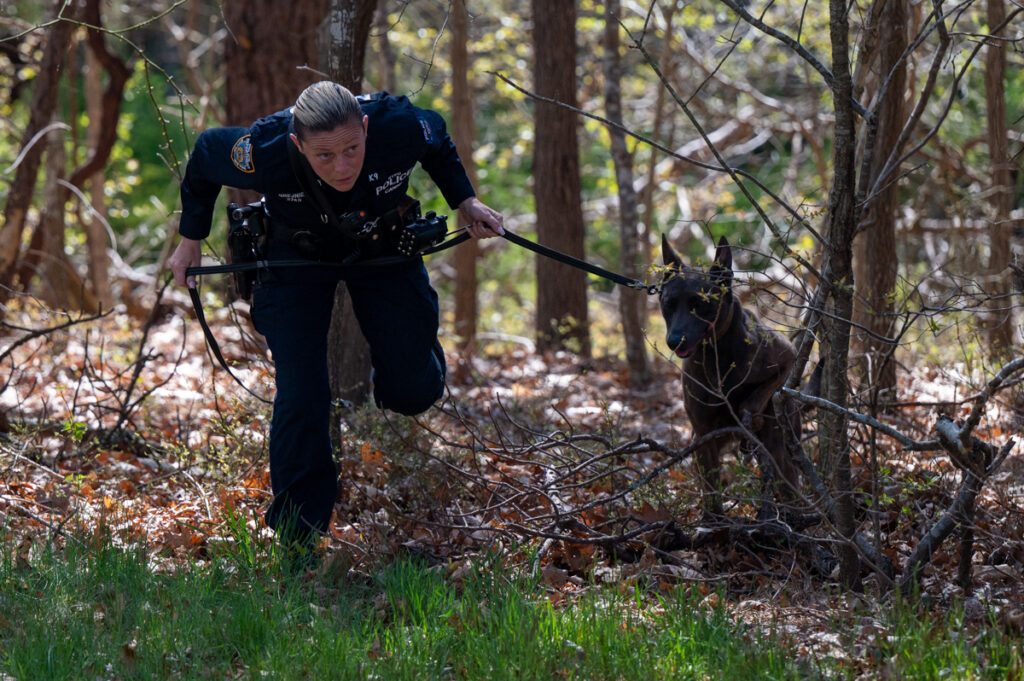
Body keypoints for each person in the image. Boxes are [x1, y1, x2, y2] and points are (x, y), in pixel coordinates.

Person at [168, 81, 503, 560]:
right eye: (325, 156)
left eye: (352, 149)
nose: (342, 166)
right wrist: (190, 240)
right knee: (302, 392)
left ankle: (409, 369)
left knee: (413, 390)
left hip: (382, 244)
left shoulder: (399, 125)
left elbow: (439, 140)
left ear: (366, 128)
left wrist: (465, 201)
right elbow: (205, 156)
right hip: (295, 255)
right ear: (298, 143)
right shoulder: (264, 150)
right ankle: (297, 539)